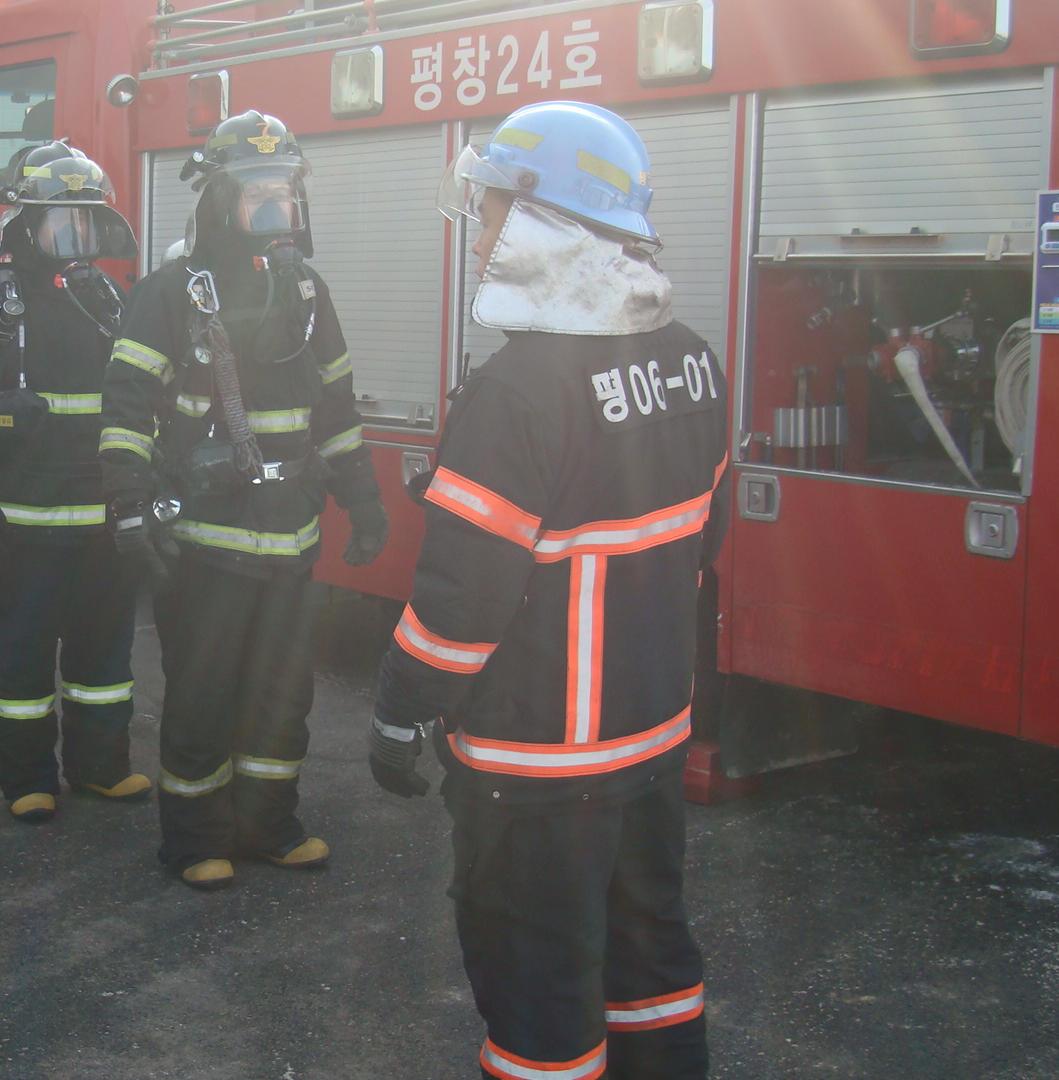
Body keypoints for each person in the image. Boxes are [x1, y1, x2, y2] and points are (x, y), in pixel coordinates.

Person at [367, 101, 725, 1080]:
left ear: (548, 225)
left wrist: (400, 706)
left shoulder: (520, 390)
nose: (480, 237)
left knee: (540, 994)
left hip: (536, 767)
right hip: (652, 740)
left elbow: (463, 598)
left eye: (491, 213)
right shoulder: (694, 360)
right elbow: (703, 539)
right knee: (651, 965)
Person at [99, 112, 389, 889]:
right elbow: (126, 408)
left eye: (283, 191)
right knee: (203, 695)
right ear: (218, 200)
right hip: (207, 543)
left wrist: (363, 499)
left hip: (290, 540)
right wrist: (129, 503)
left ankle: (269, 826)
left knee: (282, 697)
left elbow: (336, 408)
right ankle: (196, 840)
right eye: (255, 191)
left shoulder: (307, 292)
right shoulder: (171, 293)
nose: (273, 206)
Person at [0, 140, 151, 823]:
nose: (76, 239)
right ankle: (27, 778)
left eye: (87, 223)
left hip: (103, 525)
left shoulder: (109, 301)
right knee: (22, 661)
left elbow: (136, 402)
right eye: (63, 222)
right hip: (22, 528)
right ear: (25, 224)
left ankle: (102, 767)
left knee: (104, 659)